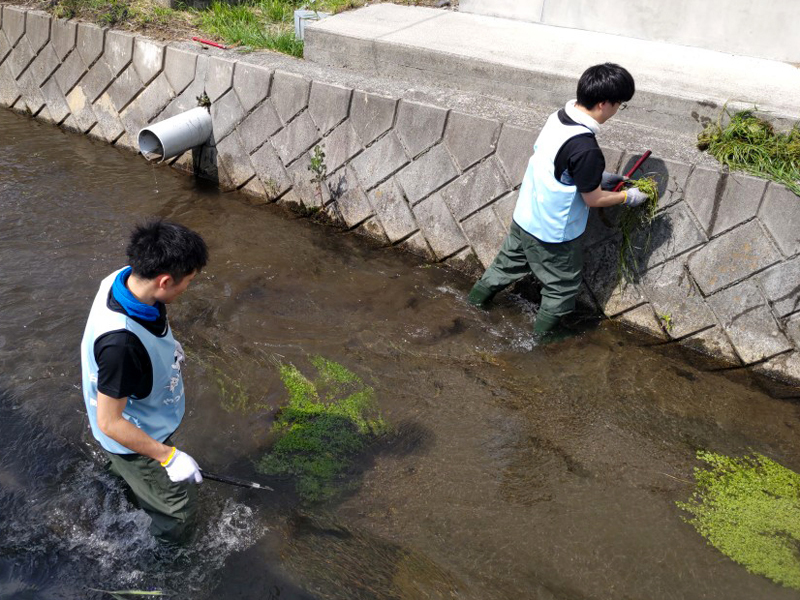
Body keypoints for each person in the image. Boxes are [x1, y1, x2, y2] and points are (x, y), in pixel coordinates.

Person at [467, 63, 648, 335]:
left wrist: (597, 175)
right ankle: (540, 343)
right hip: (552, 232)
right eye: (619, 104)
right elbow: (594, 200)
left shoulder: (559, 117)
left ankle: (471, 306)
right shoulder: (586, 147)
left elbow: (559, 164)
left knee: (503, 268)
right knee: (561, 288)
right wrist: (627, 197)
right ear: (603, 104)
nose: (617, 110)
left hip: (526, 216)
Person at [80, 219, 209, 542]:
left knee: (126, 480)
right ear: (164, 281)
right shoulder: (121, 345)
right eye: (188, 281)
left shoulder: (123, 279)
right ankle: (160, 573)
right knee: (178, 511)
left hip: (142, 407)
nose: (188, 287)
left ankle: (118, 485)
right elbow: (109, 422)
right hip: (134, 432)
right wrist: (168, 456)